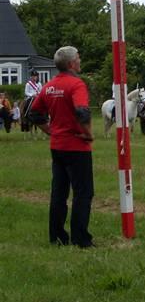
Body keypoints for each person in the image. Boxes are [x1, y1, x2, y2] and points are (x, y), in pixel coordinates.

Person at [29, 46, 95, 248]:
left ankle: (57, 236)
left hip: (57, 146)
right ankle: (80, 238)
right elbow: (82, 111)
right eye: (78, 57)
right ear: (71, 64)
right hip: (76, 146)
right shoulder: (76, 84)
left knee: (59, 192)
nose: (80, 60)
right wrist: (88, 134)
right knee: (83, 193)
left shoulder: (49, 86)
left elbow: (33, 114)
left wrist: (49, 130)